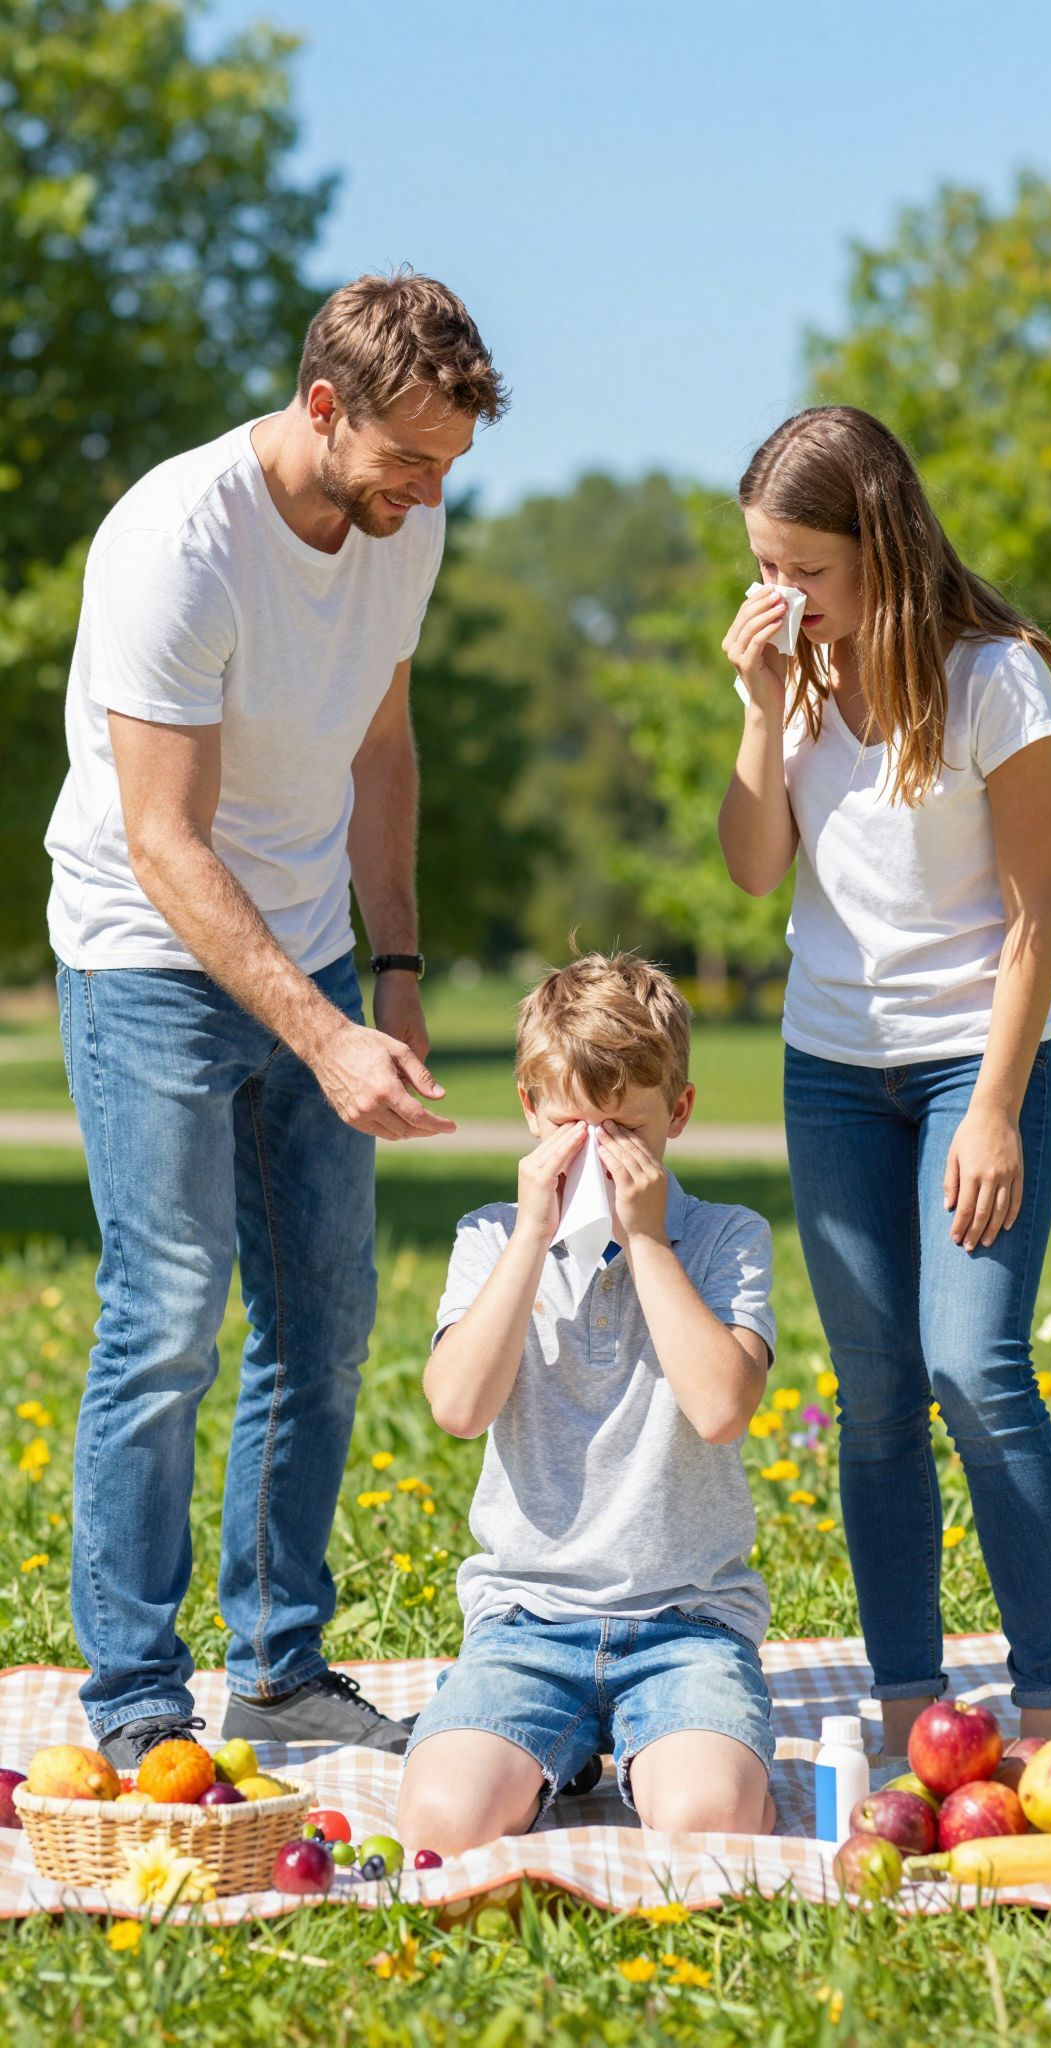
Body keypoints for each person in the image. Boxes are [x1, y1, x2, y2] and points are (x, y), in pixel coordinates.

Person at [45, 273, 507, 1768]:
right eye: (409, 461)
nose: (429, 493)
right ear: (324, 406)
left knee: (321, 1325)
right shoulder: (175, 545)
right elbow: (166, 842)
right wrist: (321, 1035)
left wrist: (396, 973)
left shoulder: (406, 526)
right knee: (169, 1316)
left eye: (447, 466)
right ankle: (131, 1699)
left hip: (313, 952)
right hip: (148, 955)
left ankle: (282, 1668)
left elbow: (382, 745)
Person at [718, 404, 1051, 1752]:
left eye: (805, 569)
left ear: (880, 542)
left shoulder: (998, 679)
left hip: (970, 1072)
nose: (781, 596)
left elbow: (1037, 918)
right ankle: (909, 1704)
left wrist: (992, 1109)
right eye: (764, 566)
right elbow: (756, 868)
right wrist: (763, 712)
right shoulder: (795, 675)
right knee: (873, 1397)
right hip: (831, 1073)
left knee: (975, 1368)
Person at [396, 953, 778, 1853]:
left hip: (687, 1626)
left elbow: (722, 1407)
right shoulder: (491, 1237)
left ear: (676, 1114)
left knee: (710, 1823)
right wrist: (533, 1231)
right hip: (527, 1624)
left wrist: (647, 1240)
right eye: (574, 1127)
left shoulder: (727, 1238)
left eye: (624, 1129)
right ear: (532, 1112)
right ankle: (549, 1759)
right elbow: (457, 1407)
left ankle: (649, 1757)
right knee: (440, 1825)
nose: (599, 1155)